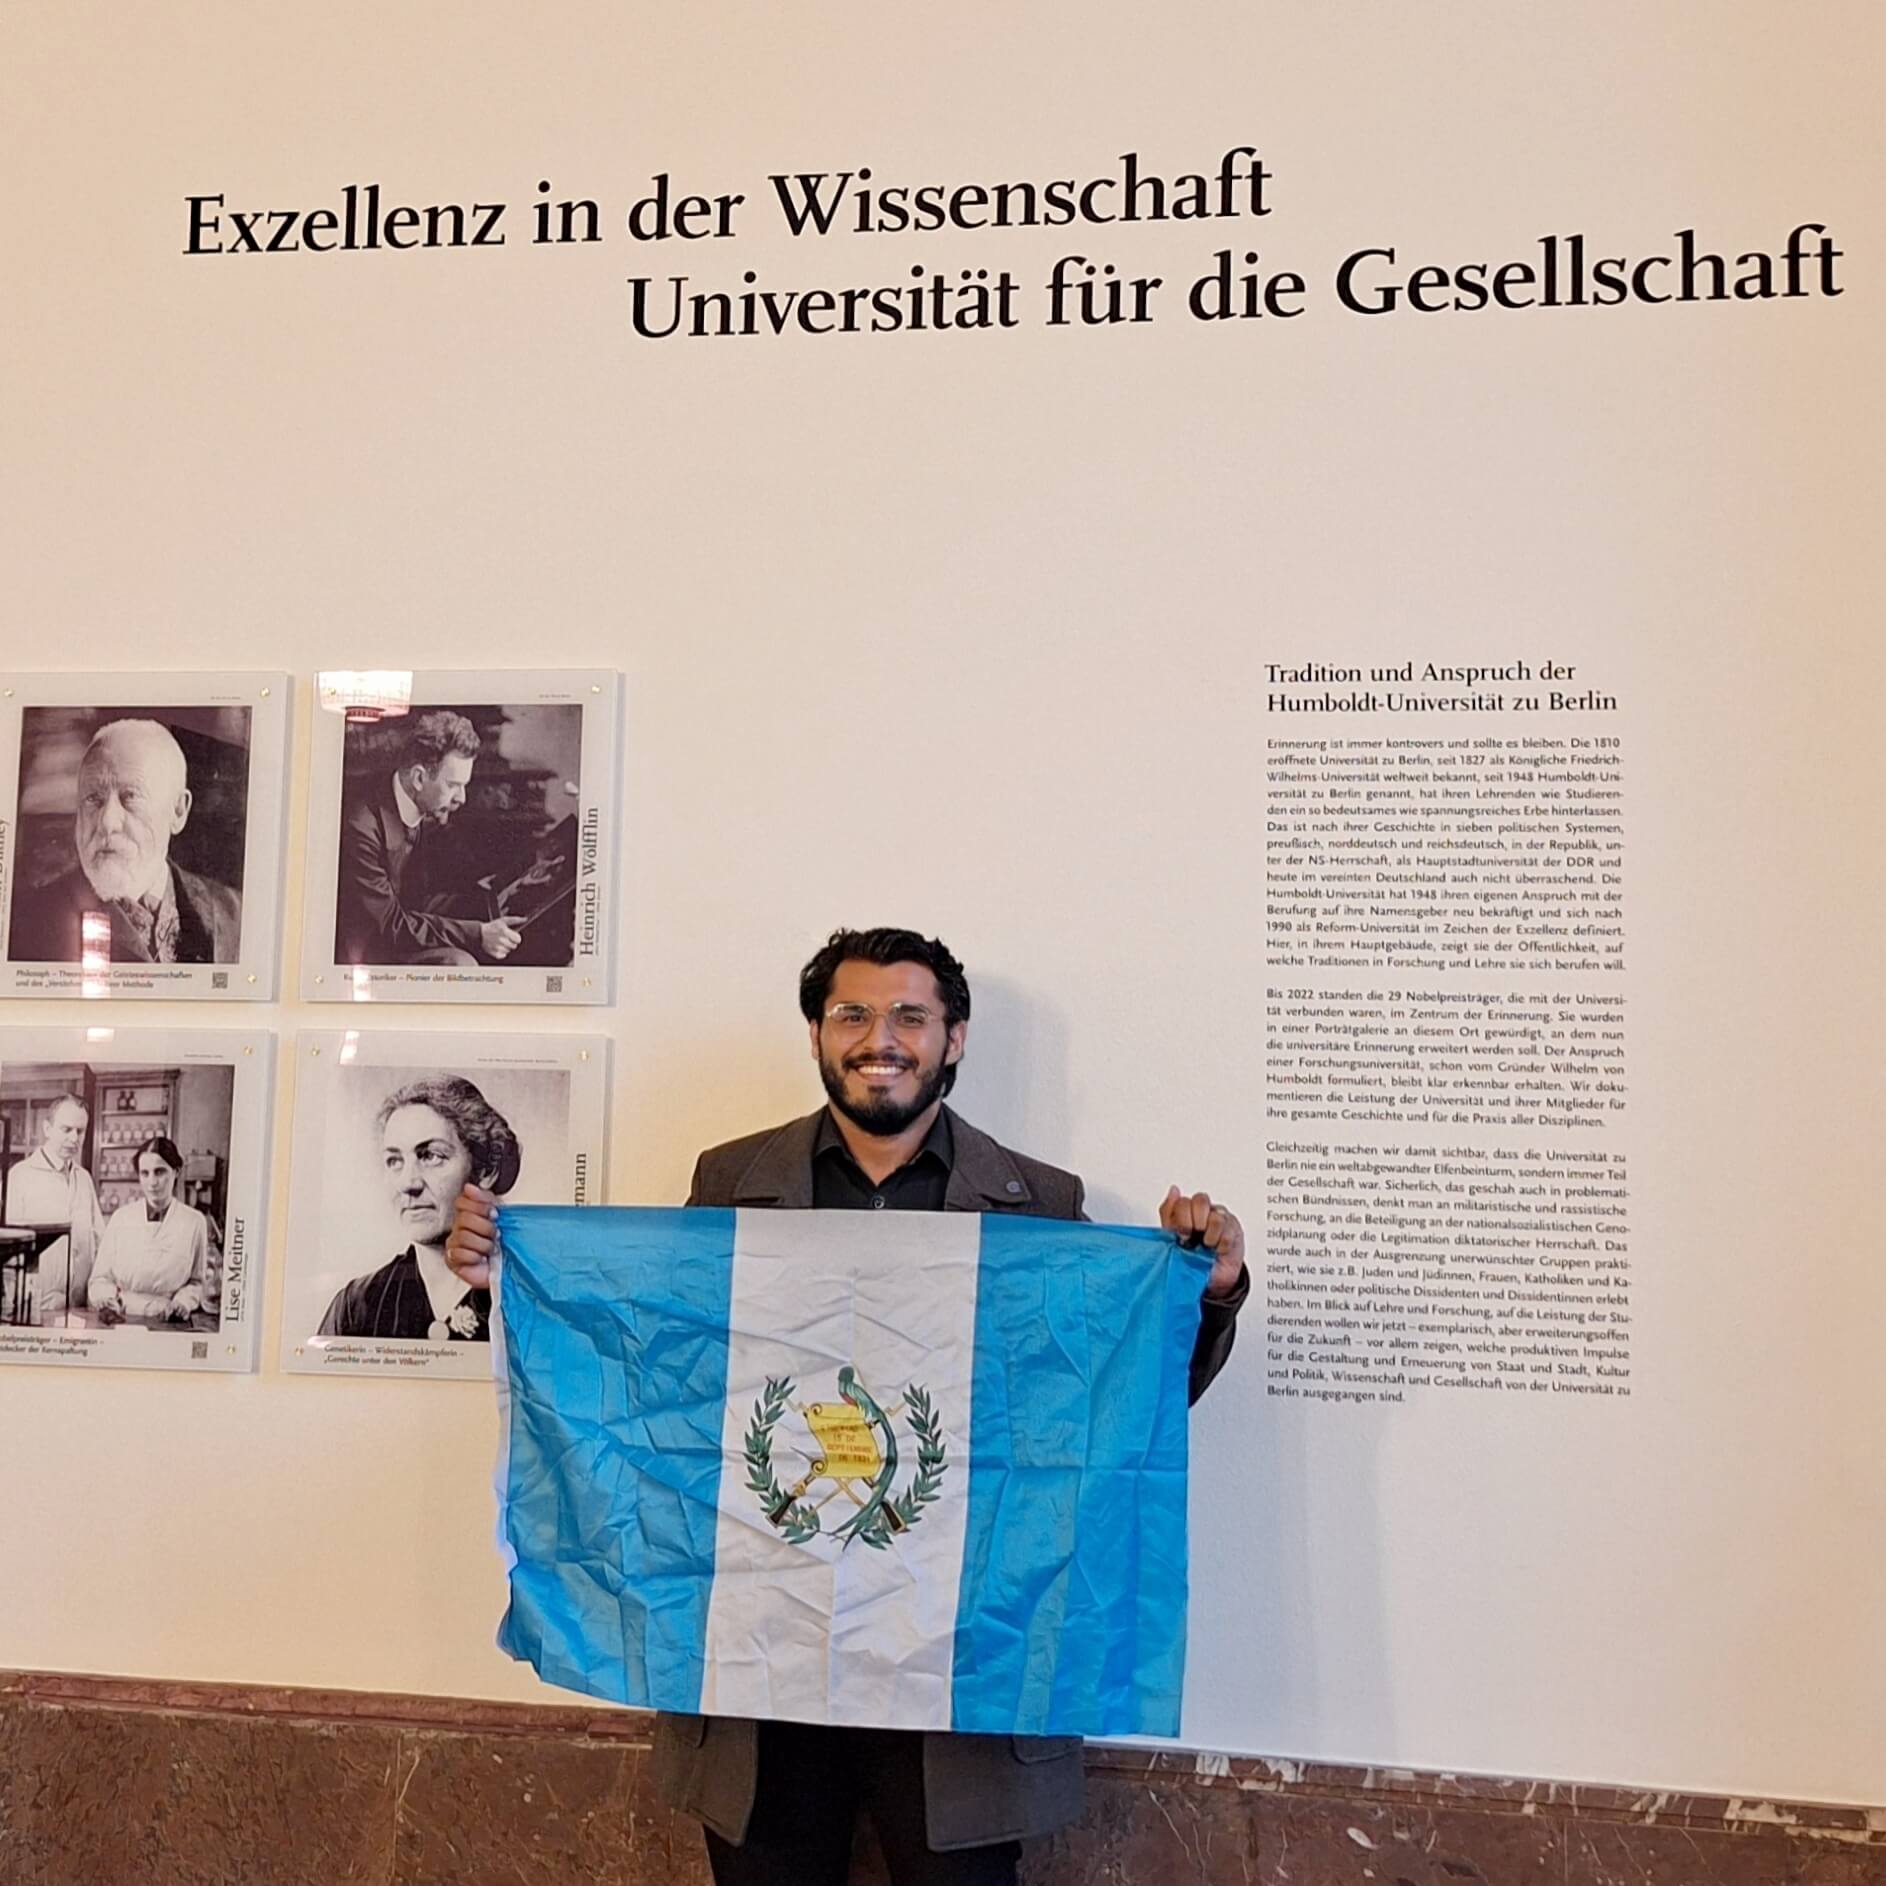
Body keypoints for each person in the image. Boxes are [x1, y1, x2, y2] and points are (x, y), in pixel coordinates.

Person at [447, 927, 1249, 1886]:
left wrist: (1200, 1294)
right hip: (762, 1678)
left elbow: (1106, 1413)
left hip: (960, 1679)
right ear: (819, 1036)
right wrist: (513, 1274)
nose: (882, 1037)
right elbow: (658, 1391)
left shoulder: (1037, 1206)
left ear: (954, 1038)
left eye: (911, 1015)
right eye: (853, 1014)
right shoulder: (728, 1185)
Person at [7, 718, 242, 965]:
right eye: (93, 799)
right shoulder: (22, 923)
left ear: (178, 811)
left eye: (130, 796)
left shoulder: (235, 916)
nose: (107, 822)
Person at [320, 1074, 519, 1342]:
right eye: (394, 1160)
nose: (408, 1183)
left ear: (487, 1169)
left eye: (431, 1156)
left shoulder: (529, 1295)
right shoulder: (357, 1306)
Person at [333, 711, 522, 969]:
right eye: (453, 785)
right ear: (419, 778)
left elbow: (428, 894)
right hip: (368, 952)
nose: (462, 798)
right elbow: (391, 925)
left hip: (404, 923)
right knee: (460, 964)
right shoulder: (361, 827)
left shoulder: (426, 804)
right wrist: (477, 934)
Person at [87, 1136, 215, 1324]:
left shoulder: (194, 1222)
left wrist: (182, 1303)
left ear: (176, 1172)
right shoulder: (121, 1218)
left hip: (169, 1320)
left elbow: (197, 1282)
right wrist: (106, 1300)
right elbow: (100, 1278)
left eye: (160, 1172)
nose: (152, 1182)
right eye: (144, 1173)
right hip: (122, 1317)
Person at [4, 1094, 105, 1321]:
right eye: (66, 1129)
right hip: (36, 1305)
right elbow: (8, 1250)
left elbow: (99, 1239)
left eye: (80, 1131)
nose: (74, 1138)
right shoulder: (20, 1176)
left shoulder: (84, 1178)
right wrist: (20, 1302)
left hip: (80, 1306)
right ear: (47, 1129)